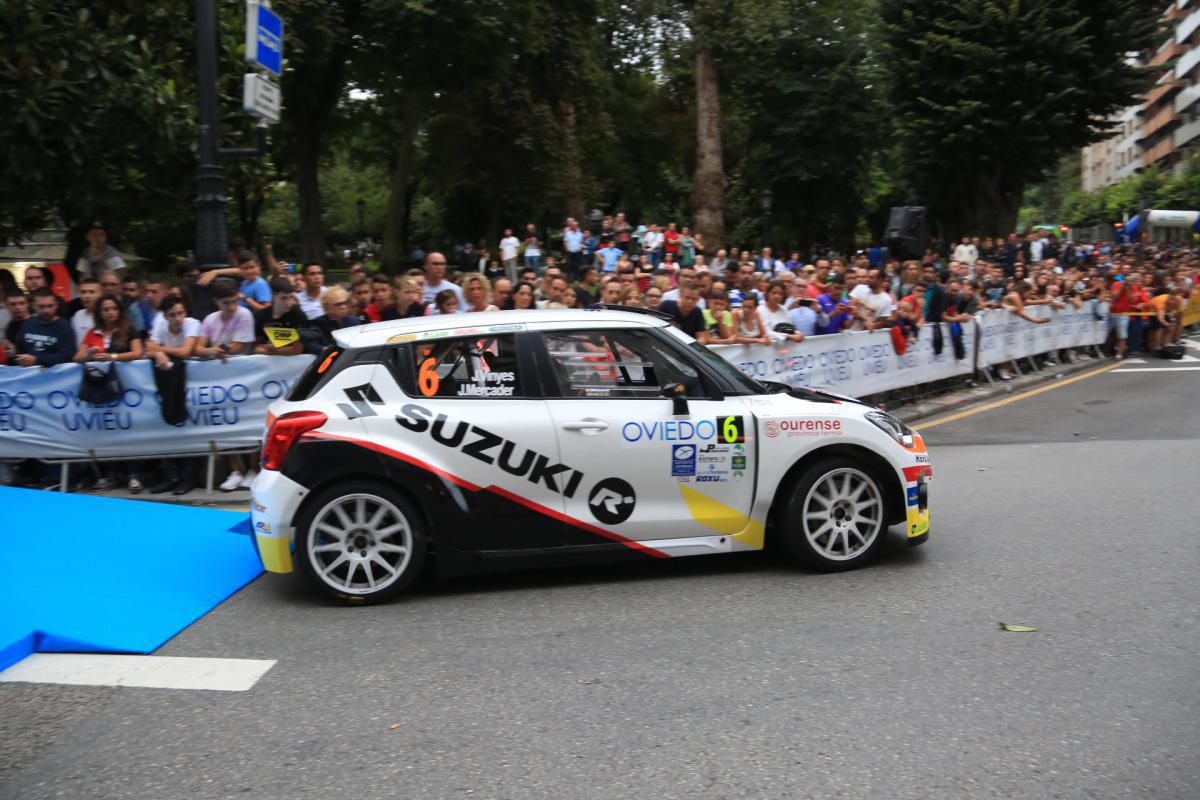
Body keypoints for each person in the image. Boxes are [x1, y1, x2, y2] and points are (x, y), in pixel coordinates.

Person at [14, 290, 75, 366]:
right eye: (41, 306)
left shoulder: (64, 327)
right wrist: (19, 358)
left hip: (54, 375)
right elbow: (19, 349)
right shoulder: (27, 323)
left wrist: (37, 360)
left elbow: (67, 357)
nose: (46, 310)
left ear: (56, 305)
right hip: (27, 372)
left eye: (50, 306)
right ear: (33, 306)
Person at [198, 282, 256, 360]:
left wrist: (215, 351)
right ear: (216, 301)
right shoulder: (209, 318)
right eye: (226, 303)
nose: (231, 307)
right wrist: (211, 351)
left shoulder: (244, 314)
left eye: (234, 301)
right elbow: (198, 349)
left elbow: (237, 348)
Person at [254, 277, 306, 356]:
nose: (289, 303)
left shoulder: (297, 314)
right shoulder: (261, 315)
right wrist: (267, 348)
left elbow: (298, 349)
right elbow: (254, 347)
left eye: (290, 297)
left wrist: (274, 350)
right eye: (283, 298)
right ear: (273, 296)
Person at [70, 277, 102, 344]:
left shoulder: (106, 316)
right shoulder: (77, 315)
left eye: (92, 292)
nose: (87, 296)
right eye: (83, 292)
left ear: (100, 294)